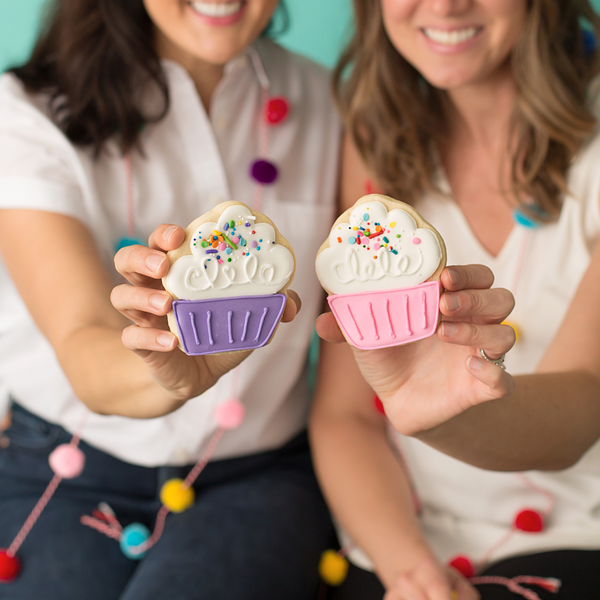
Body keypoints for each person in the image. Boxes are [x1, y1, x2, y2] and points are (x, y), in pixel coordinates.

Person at [0, 0, 514, 598]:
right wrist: (168, 372)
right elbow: (82, 340)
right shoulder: (26, 113)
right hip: (67, 469)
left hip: (258, 475)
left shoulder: (329, 103)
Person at [310, 0, 600, 598]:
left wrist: (438, 413)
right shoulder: (376, 141)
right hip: (403, 533)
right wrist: (412, 571)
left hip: (573, 535)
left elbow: (584, 403)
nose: (444, 5)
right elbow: (345, 418)